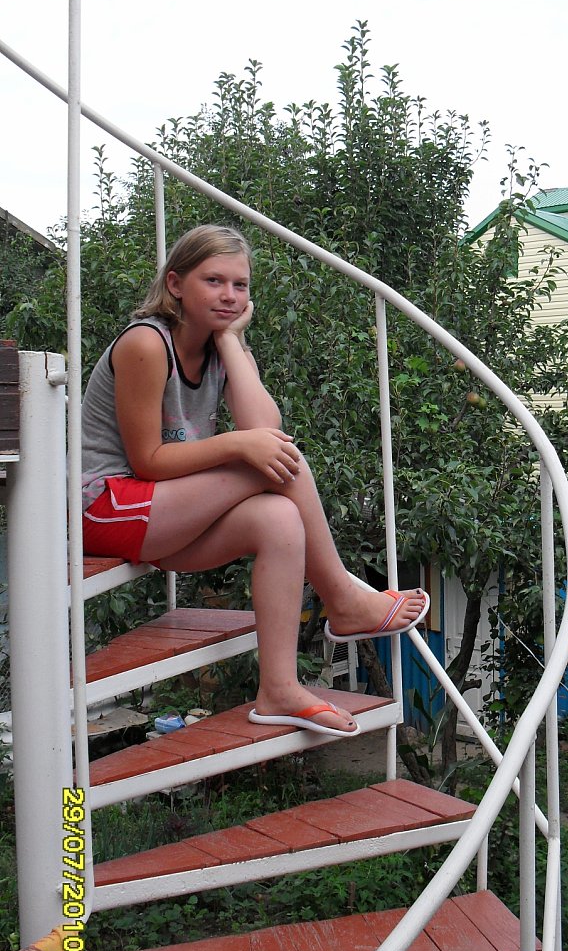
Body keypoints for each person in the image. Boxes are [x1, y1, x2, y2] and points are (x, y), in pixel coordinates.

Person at [81, 224, 429, 737]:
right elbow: (148, 460)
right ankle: (342, 598)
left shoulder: (221, 347)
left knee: (279, 516)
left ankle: (279, 688)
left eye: (240, 285)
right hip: (107, 506)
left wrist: (231, 341)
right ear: (175, 284)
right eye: (213, 281)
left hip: (163, 513)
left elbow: (265, 427)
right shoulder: (146, 343)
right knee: (270, 460)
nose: (229, 295)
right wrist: (238, 445)